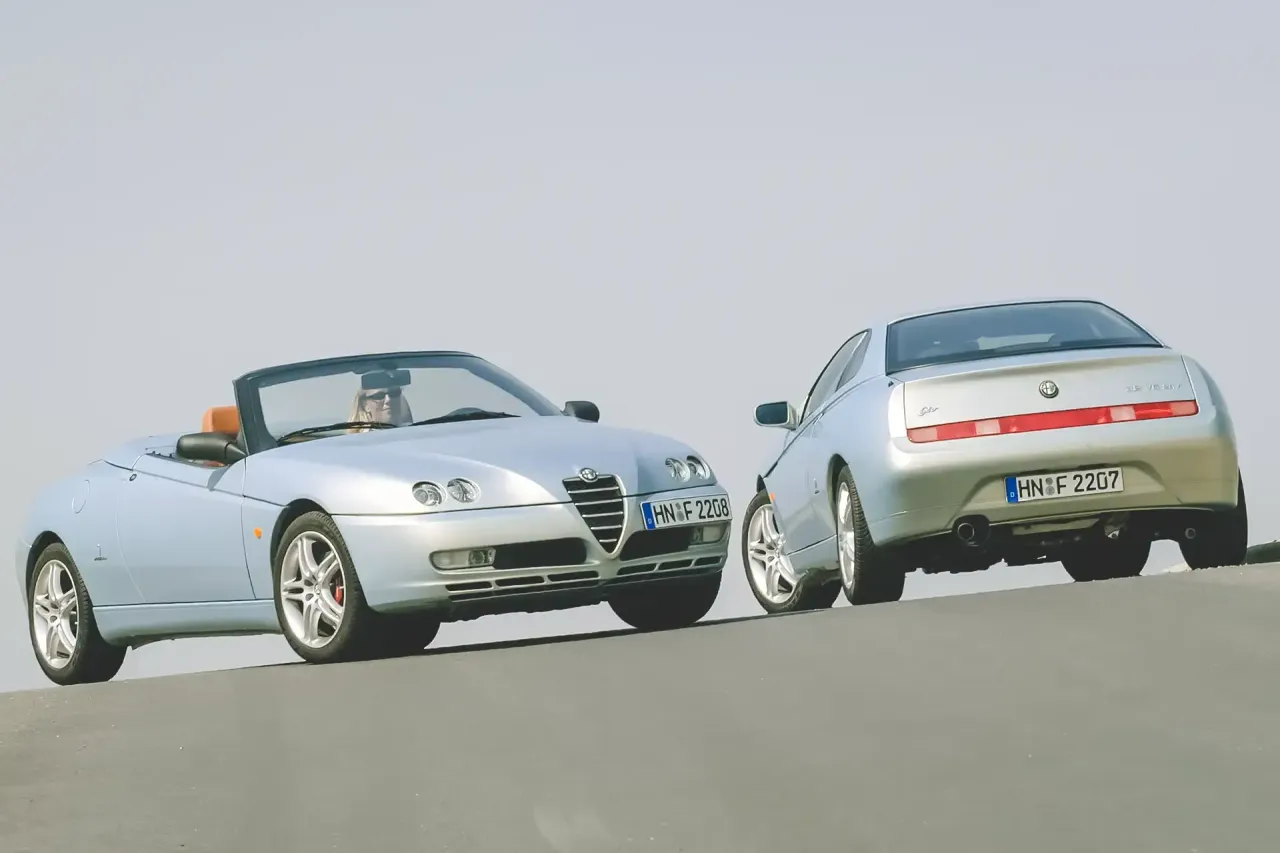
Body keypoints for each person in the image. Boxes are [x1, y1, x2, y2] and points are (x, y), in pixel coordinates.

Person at [348, 384, 414, 430]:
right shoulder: (360, 441)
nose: (388, 400)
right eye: (379, 396)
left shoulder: (412, 435)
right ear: (365, 405)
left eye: (394, 393)